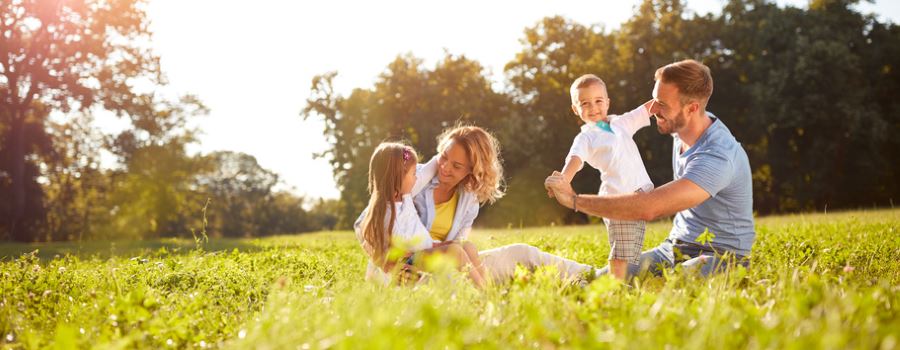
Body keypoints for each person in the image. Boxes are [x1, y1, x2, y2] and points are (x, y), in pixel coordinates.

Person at [545, 59, 755, 278]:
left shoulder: (718, 156)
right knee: (606, 280)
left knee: (677, 282)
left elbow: (648, 208)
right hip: (673, 249)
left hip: (721, 255)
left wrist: (574, 200)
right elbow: (581, 154)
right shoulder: (681, 129)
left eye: (662, 105)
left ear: (692, 108)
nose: (654, 110)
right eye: (655, 101)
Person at [415, 126, 597, 283]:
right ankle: (482, 293)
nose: (445, 167)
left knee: (522, 253)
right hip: (412, 269)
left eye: (456, 166)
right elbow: (389, 225)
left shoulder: (468, 199)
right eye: (444, 157)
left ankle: (594, 276)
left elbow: (460, 246)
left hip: (450, 264)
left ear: (472, 170)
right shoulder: (412, 179)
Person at [353, 142, 487, 288]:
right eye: (413, 173)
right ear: (399, 177)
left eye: (457, 165)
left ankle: (486, 285)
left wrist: (434, 245)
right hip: (407, 263)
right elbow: (401, 243)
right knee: (455, 252)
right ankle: (485, 292)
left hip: (420, 251)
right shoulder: (386, 210)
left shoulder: (405, 198)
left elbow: (415, 230)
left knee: (467, 246)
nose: (417, 177)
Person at [561, 73, 654, 280]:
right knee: (621, 249)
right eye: (585, 103)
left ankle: (619, 281)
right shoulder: (586, 136)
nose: (593, 107)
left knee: (630, 246)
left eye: (598, 101)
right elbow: (575, 159)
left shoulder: (621, 123)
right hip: (617, 197)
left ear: (608, 103)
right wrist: (564, 179)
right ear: (576, 109)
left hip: (641, 192)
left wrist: (670, 98)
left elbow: (646, 110)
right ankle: (615, 285)